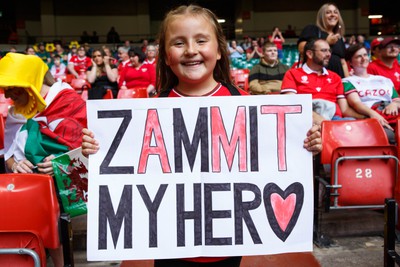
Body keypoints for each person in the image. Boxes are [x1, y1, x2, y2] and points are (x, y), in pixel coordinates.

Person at [82, 4, 322, 267]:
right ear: (165, 56)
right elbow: (119, 175)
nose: (191, 50)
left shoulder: (248, 105)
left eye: (201, 40)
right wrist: (96, 150)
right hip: (168, 244)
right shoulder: (146, 113)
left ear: (218, 50)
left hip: (231, 242)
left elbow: (275, 162)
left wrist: (306, 144)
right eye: (179, 43)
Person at [0, 53, 87, 267]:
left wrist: (59, 162)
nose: (8, 94)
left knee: (51, 211)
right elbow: (8, 153)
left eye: (13, 87)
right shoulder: (16, 111)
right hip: (29, 185)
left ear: (31, 83)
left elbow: (87, 148)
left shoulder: (69, 101)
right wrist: (15, 164)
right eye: (6, 88)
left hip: (68, 181)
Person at [281, 38, 363, 125]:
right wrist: (321, 121)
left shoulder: (335, 77)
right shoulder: (292, 74)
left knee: (353, 123)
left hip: (334, 120)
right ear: (310, 54)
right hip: (306, 120)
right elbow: (291, 104)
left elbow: (345, 110)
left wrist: (366, 116)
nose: (328, 54)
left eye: (329, 51)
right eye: (324, 51)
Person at [343, 43, 400, 143]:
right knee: (389, 136)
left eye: (365, 55)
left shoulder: (384, 80)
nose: (363, 58)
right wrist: (373, 115)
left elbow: (397, 99)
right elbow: (356, 104)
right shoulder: (347, 81)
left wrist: (394, 104)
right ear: (350, 62)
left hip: (393, 113)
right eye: (358, 56)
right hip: (371, 115)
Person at [298, 3, 349, 78]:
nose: (332, 15)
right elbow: (302, 48)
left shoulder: (339, 37)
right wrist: (327, 42)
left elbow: (343, 63)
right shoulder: (313, 29)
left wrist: (347, 82)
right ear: (321, 16)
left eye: (335, 12)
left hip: (337, 80)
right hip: (315, 78)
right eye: (328, 12)